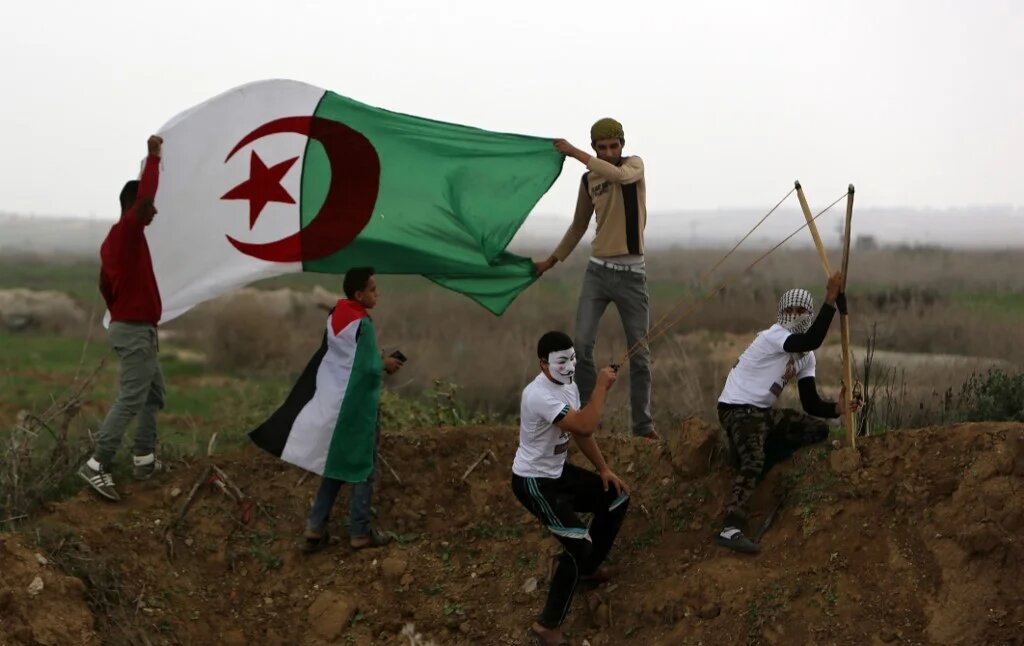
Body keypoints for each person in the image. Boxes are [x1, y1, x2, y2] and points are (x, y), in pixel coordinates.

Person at [249, 267, 403, 552]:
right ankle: (360, 533)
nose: (376, 293)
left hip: (335, 407)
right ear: (359, 294)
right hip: (357, 411)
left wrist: (373, 360)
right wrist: (386, 364)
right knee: (363, 469)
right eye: (372, 289)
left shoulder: (336, 315)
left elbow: (345, 359)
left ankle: (314, 528)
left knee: (335, 467)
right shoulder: (363, 324)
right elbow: (368, 368)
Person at [715, 271, 862, 554]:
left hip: (761, 414)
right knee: (754, 459)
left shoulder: (806, 357)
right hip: (737, 408)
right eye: (789, 310)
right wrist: (830, 301)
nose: (795, 315)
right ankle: (730, 528)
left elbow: (810, 403)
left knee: (817, 429)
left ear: (809, 312)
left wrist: (837, 408)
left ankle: (751, 452)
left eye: (802, 310)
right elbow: (811, 339)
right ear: (781, 313)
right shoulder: (775, 336)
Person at [534, 118, 657, 440]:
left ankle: (643, 427)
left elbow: (617, 174)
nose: (608, 152)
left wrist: (574, 152)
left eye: (613, 146)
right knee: (582, 346)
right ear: (595, 148)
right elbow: (578, 226)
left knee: (640, 354)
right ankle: (587, 416)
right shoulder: (589, 180)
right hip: (598, 272)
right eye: (601, 148)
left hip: (632, 276)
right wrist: (550, 261)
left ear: (622, 145)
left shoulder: (633, 167)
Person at [511, 331, 630, 646]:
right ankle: (546, 626)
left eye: (572, 358)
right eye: (561, 361)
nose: (569, 365)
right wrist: (602, 388)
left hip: (557, 473)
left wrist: (603, 469)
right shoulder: (538, 395)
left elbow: (580, 430)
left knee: (616, 497)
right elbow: (585, 424)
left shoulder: (569, 387)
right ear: (544, 364)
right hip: (534, 482)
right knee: (578, 545)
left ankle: (587, 571)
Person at [79, 135, 166, 501]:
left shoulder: (115, 242)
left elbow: (105, 285)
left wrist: (124, 310)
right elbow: (146, 199)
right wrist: (154, 158)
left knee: (153, 394)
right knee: (132, 397)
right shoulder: (128, 233)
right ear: (134, 207)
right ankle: (96, 465)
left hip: (134, 327)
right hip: (133, 330)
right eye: (150, 207)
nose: (155, 212)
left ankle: (144, 458)